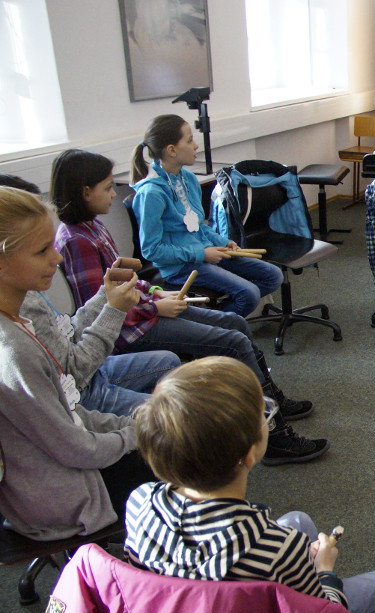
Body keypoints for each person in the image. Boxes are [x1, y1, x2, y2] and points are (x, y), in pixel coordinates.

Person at [125, 356, 375, 613]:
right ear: (250, 454)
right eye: (262, 416)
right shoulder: (277, 549)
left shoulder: (139, 501)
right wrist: (325, 572)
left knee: (298, 522)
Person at [51, 149, 327, 464]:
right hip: (131, 330)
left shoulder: (93, 226)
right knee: (233, 341)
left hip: (146, 311)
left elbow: (128, 282)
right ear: (86, 192)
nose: (113, 194)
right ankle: (271, 436)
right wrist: (155, 308)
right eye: (106, 188)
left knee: (236, 324)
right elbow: (104, 309)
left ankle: (270, 398)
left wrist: (156, 293)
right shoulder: (76, 241)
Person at [0, 186, 154, 541]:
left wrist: (135, 425)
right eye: (42, 250)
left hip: (67, 469)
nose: (56, 257)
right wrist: (139, 434)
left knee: (172, 431)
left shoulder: (19, 319)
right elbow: (75, 446)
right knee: (189, 456)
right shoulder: (15, 349)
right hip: (67, 500)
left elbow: (69, 414)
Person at [0, 173, 180, 418]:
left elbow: (68, 336)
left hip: (89, 375)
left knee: (169, 363)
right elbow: (75, 371)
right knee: (178, 415)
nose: (56, 257)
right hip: (82, 391)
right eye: (42, 250)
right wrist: (114, 310)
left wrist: (106, 293)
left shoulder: (27, 291)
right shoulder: (22, 312)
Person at [130, 114, 283, 317]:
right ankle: (216, 324)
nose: (195, 146)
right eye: (189, 140)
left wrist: (223, 241)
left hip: (204, 252)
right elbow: (152, 251)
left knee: (273, 275)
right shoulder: (151, 193)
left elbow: (197, 226)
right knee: (249, 294)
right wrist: (201, 254)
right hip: (180, 267)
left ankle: (213, 318)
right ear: (171, 150)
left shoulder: (188, 178)